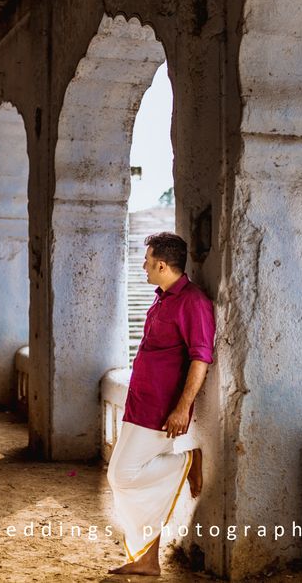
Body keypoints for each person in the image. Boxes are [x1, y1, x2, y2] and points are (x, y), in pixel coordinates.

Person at [107, 232, 216, 576]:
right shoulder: (162, 298)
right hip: (139, 402)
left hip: (161, 410)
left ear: (162, 265)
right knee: (129, 480)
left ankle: (188, 460)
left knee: (122, 476)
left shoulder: (193, 302)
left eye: (147, 260)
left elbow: (201, 358)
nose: (143, 266)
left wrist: (182, 408)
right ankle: (147, 560)